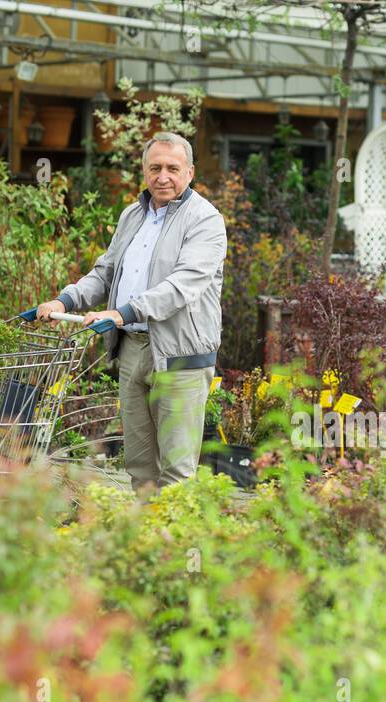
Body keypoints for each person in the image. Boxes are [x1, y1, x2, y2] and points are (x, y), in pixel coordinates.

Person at [36, 131, 226, 495]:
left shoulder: (205, 220)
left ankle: (178, 548)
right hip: (132, 351)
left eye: (173, 168)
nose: (163, 176)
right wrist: (65, 301)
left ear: (190, 172)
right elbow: (106, 271)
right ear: (144, 171)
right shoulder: (132, 216)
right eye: (155, 168)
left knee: (176, 472)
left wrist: (123, 312)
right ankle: (143, 547)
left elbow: (183, 285)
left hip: (180, 357)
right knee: (140, 468)